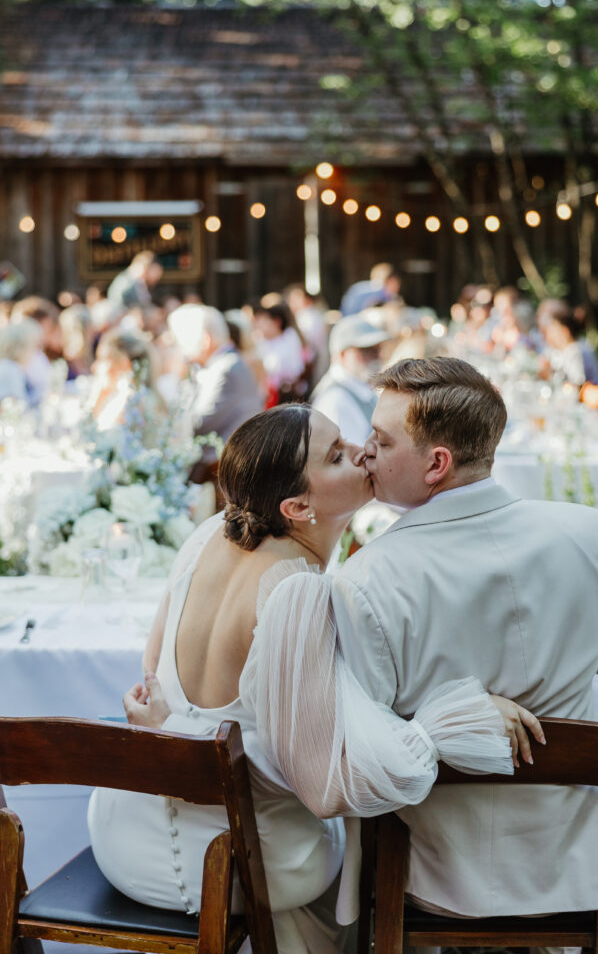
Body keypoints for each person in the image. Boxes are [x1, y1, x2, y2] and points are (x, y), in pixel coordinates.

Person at [88, 404, 540, 954]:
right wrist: (449, 723)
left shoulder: (209, 532)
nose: (362, 451)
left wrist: (173, 730)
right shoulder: (296, 590)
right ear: (299, 505)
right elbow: (326, 783)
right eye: (336, 455)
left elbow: (151, 673)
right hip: (241, 859)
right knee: (359, 848)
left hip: (120, 834)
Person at [328, 357, 598, 934]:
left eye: (381, 439)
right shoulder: (590, 531)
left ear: (436, 465)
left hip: (431, 872)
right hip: (571, 867)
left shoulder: (365, 578)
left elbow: (371, 738)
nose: (365, 452)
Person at [167, 304, 262, 459]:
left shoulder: (225, 369)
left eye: (184, 341)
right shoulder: (224, 364)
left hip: (221, 462)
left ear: (206, 340)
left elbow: (198, 424)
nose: (183, 350)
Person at [312, 312, 391, 445]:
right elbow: (351, 458)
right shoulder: (335, 399)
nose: (377, 357)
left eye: (377, 350)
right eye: (366, 350)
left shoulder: (356, 388)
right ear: (342, 354)